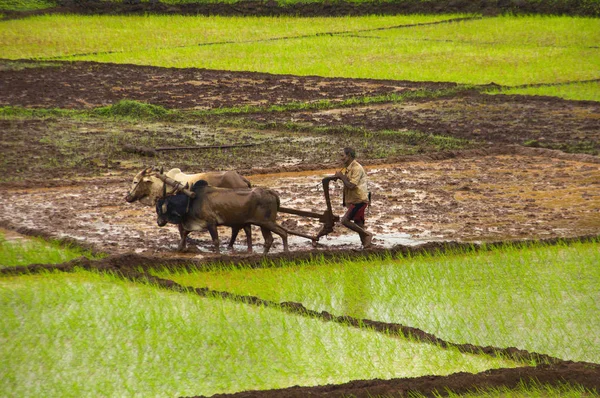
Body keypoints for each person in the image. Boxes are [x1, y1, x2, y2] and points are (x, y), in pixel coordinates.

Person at [333, 147, 373, 249]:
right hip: (354, 199)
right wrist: (339, 176)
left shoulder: (357, 168)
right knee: (358, 223)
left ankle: (367, 234)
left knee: (344, 221)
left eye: (343, 156)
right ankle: (366, 245)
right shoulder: (347, 167)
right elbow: (346, 180)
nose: (341, 158)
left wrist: (341, 177)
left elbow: (351, 185)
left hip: (359, 200)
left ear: (349, 156)